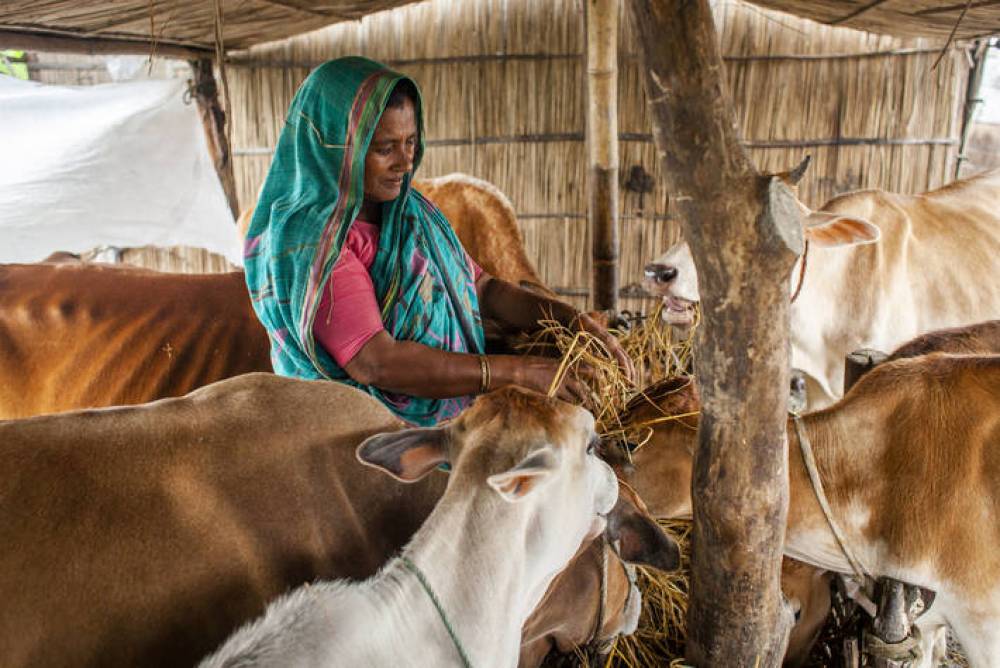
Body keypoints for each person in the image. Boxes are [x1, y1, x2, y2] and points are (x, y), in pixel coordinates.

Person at [244, 57, 633, 426]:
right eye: (384, 148)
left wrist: (572, 321)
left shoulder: (411, 212)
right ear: (332, 147)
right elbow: (378, 363)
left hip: (455, 417)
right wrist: (514, 371)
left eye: (411, 142)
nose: (406, 161)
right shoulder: (312, 244)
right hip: (362, 444)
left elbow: (483, 288)